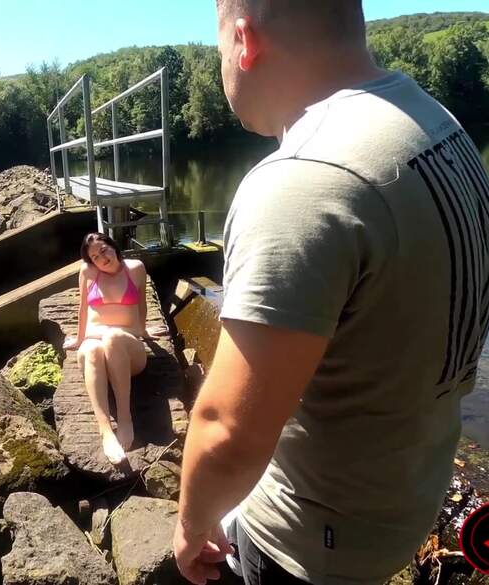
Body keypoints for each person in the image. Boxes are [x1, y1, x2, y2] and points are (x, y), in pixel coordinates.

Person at [174, 2, 489, 585]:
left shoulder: (303, 180)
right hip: (402, 506)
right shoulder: (433, 119)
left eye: (218, 49)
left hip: (308, 547)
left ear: (244, 40)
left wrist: (192, 524)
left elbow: (227, 428)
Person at [63, 232, 154, 464]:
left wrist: (144, 332)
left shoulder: (135, 268)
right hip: (94, 340)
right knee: (92, 348)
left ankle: (124, 417)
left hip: (126, 347)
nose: (102, 259)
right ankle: (105, 430)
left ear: (113, 246)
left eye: (103, 250)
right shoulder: (88, 272)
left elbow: (142, 303)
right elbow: (83, 308)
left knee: (113, 337)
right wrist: (79, 339)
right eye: (95, 257)